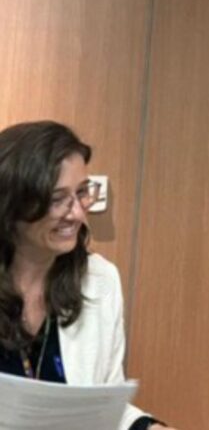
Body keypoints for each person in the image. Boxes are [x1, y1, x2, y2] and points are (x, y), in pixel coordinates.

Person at [0, 120, 177, 430]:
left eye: (82, 193)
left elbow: (105, 407)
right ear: (12, 204)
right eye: (58, 199)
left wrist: (148, 428)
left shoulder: (100, 280)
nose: (78, 213)